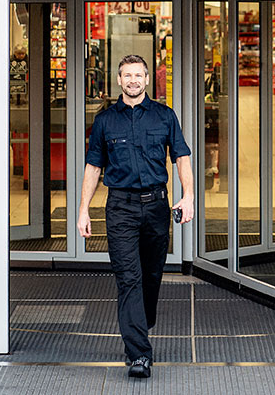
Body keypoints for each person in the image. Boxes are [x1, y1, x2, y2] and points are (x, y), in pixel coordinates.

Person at [78, 54, 194, 379]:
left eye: (138, 75)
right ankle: (139, 354)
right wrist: (82, 209)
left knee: (151, 276)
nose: (133, 81)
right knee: (129, 278)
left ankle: (139, 326)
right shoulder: (105, 121)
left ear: (147, 79)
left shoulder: (164, 116)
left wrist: (189, 196)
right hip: (120, 208)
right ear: (118, 80)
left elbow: (182, 158)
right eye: (127, 75)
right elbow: (93, 167)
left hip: (157, 206)